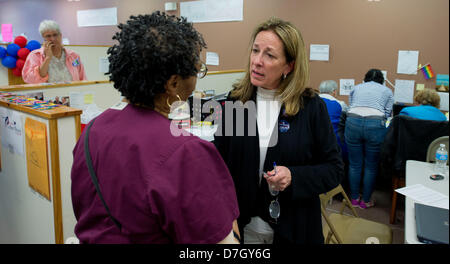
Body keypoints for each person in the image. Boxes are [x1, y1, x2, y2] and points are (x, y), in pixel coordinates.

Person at [71, 12, 240, 244]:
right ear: (172, 84)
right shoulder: (186, 152)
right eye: (196, 70)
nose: (196, 80)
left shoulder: (92, 131)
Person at [214, 17, 343, 244]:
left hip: (295, 227)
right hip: (244, 227)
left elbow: (333, 169)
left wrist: (295, 176)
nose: (257, 61)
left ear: (289, 65)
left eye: (269, 55)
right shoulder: (238, 101)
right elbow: (221, 162)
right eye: (255, 51)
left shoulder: (311, 107)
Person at [345, 69, 394, 209]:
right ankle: (366, 201)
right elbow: (387, 113)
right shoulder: (387, 91)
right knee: (371, 166)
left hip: (353, 122)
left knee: (354, 164)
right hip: (375, 124)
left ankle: (354, 199)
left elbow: (351, 106)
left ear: (365, 78)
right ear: (382, 80)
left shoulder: (356, 88)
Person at [22, 20, 87, 83]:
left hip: (71, 93)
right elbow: (31, 80)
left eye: (55, 35)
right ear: (43, 38)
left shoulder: (73, 56)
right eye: (48, 36)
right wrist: (47, 58)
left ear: (60, 36)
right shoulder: (35, 55)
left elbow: (82, 78)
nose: (52, 39)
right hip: (46, 94)